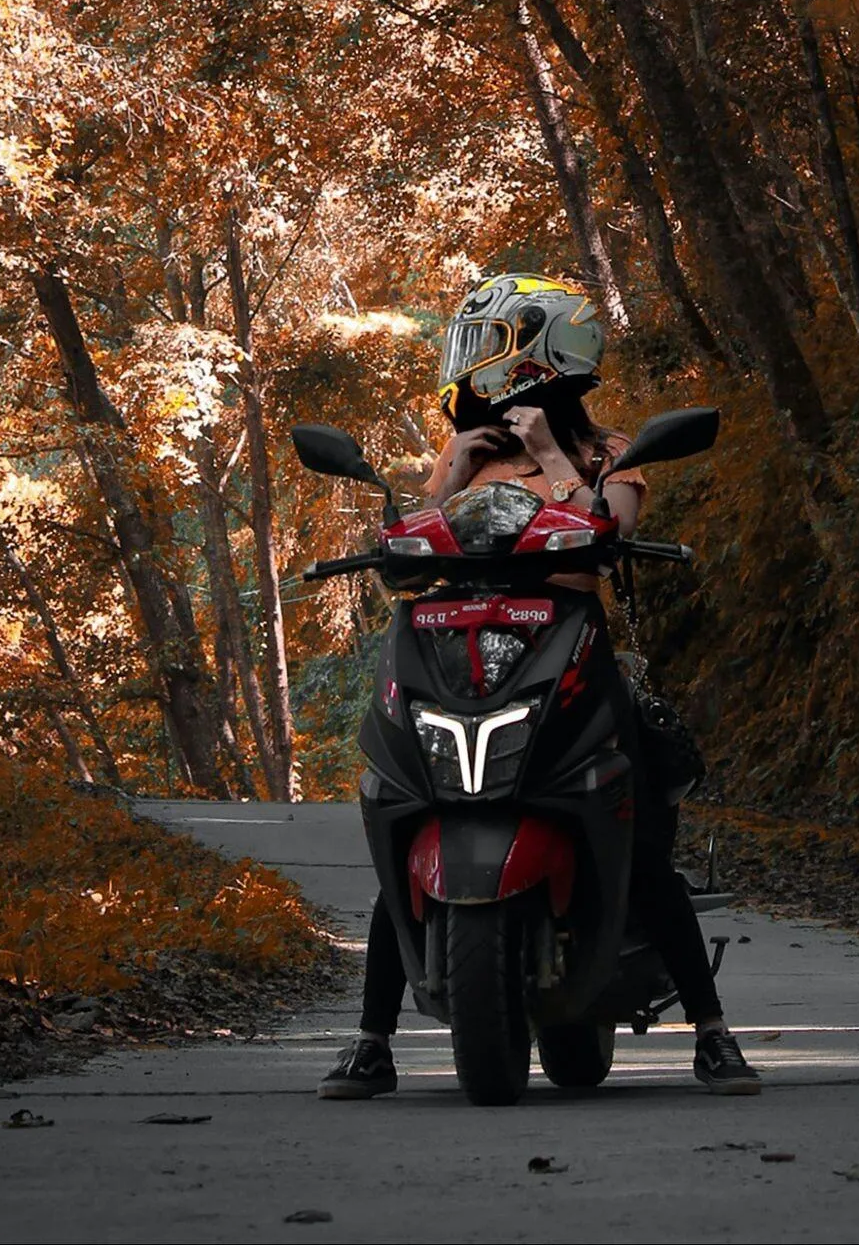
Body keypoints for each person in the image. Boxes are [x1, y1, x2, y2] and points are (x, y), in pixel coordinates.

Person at [320, 273, 760, 1100]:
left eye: (495, 347)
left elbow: (609, 533)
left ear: (544, 355)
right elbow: (404, 564)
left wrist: (556, 460)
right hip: (460, 649)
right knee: (412, 811)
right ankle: (371, 1042)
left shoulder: (609, 456)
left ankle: (712, 1033)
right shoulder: (467, 459)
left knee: (642, 844)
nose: (480, 365)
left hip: (566, 649)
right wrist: (452, 475)